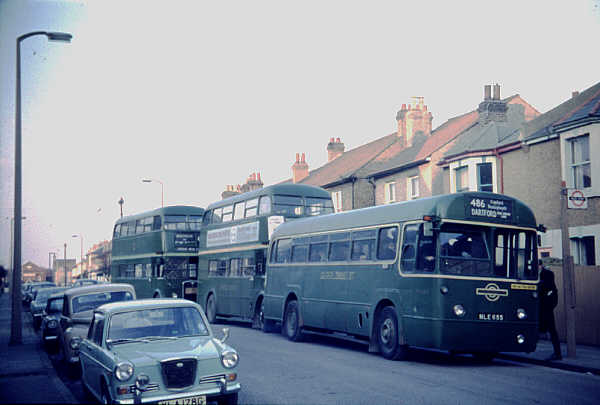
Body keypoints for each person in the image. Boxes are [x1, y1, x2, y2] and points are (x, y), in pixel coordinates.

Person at [539, 265, 562, 361]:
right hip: (540, 306)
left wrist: (550, 305)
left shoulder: (547, 274)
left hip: (546, 307)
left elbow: (551, 290)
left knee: (552, 330)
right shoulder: (535, 274)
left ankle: (557, 354)